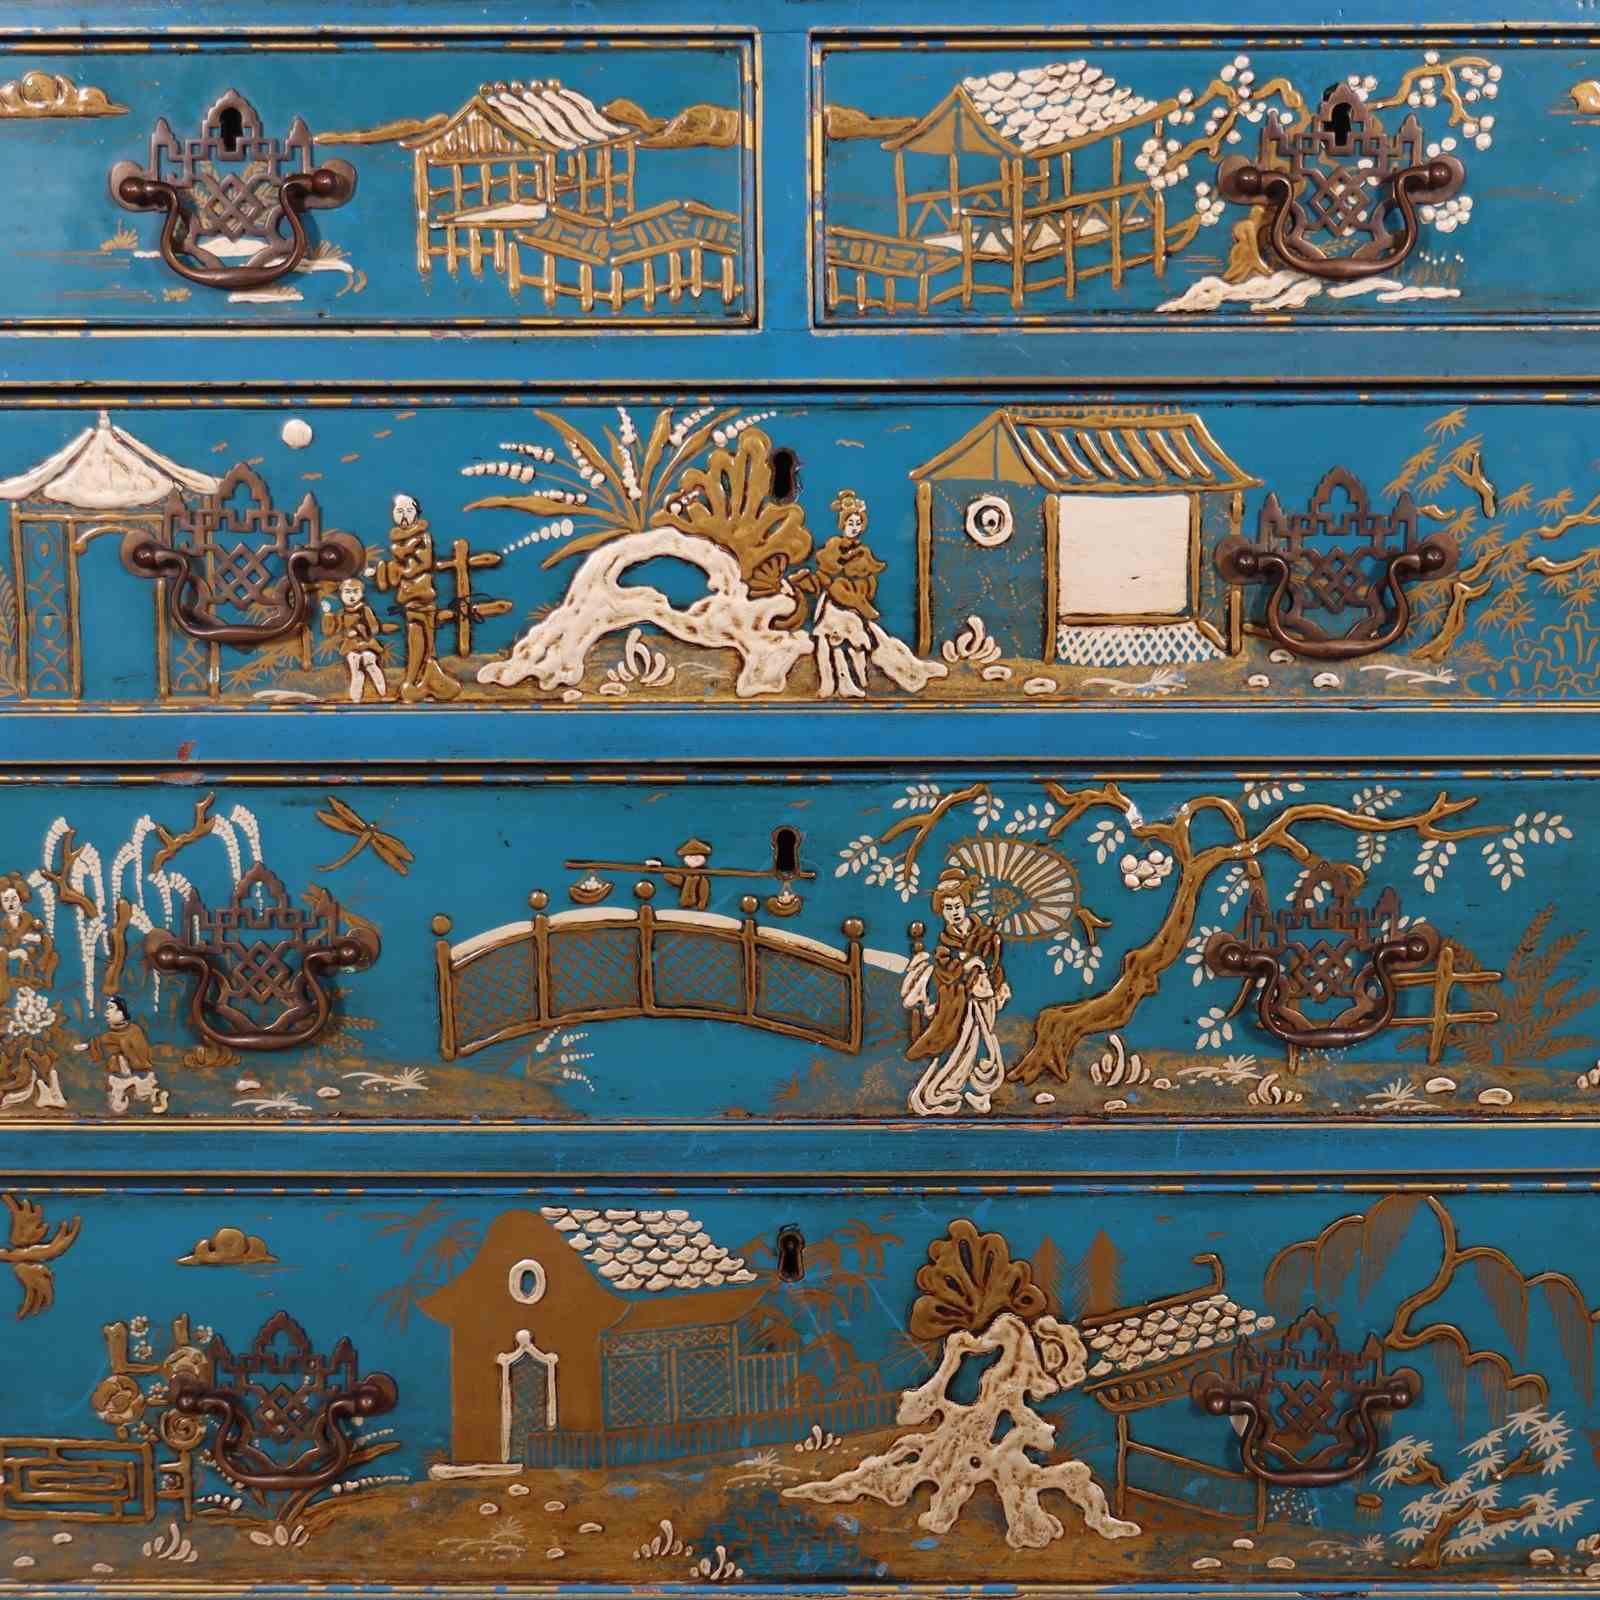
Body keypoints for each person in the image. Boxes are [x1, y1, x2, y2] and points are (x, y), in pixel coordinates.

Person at [901, 869, 1010, 1116]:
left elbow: (994, 961)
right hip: (963, 1002)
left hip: (984, 994)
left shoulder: (982, 933)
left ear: (966, 905)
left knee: (986, 1040)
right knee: (965, 1045)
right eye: (948, 908)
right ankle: (954, 1087)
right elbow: (946, 970)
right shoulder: (945, 941)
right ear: (942, 911)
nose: (954, 912)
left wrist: (989, 949)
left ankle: (982, 1091)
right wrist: (966, 965)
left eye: (958, 906)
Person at [790, 490, 885, 699]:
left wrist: (863, 591)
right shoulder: (832, 547)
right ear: (842, 524)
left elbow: (868, 578)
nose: (854, 527)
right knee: (830, 644)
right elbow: (824, 575)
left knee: (854, 645)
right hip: (833, 606)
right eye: (850, 523)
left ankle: (854, 681)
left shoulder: (863, 552)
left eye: (858, 523)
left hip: (851, 607)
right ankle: (829, 683)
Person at [369, 493, 461, 703]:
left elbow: (425, 563)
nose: (404, 515)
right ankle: (416, 681)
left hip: (423, 595)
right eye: (399, 511)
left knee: (426, 637)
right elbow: (400, 557)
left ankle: (422, 679)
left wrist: (405, 569)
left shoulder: (422, 537)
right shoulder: (399, 540)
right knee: (415, 636)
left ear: (417, 513)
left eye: (409, 510)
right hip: (409, 597)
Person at [74, 995, 168, 1116]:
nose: (106, 1012)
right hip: (118, 1075)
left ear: (121, 1012)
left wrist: (125, 1052)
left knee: (141, 1092)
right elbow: (101, 1040)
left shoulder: (134, 1031)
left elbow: (141, 1055)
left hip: (138, 1073)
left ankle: (156, 1098)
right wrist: (87, 1046)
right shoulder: (111, 1034)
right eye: (107, 1008)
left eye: (111, 1008)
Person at [320, 577, 388, 704]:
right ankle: (356, 697)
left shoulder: (365, 610)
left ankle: (382, 693)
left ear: (361, 594)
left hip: (366, 644)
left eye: (355, 591)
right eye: (347, 592)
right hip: (351, 646)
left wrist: (359, 629)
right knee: (355, 670)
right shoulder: (341, 613)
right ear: (341, 594)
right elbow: (332, 631)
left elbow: (374, 628)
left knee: (370, 663)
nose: (351, 596)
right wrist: (327, 615)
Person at [0, 874, 56, 1006]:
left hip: (31, 948)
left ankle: (42, 974)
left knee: (43, 942)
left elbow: (32, 930)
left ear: (21, 898)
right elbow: (8, 940)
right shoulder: (5, 922)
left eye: (14, 898)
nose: (11, 903)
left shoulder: (26, 916)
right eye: (6, 900)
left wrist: (36, 927)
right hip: (15, 950)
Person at [644, 839, 714, 911]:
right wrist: (662, 870)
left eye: (697, 857)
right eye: (690, 856)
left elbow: (704, 892)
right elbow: (676, 879)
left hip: (694, 906)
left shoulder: (702, 878)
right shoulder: (684, 874)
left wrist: (702, 904)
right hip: (684, 903)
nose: (693, 859)